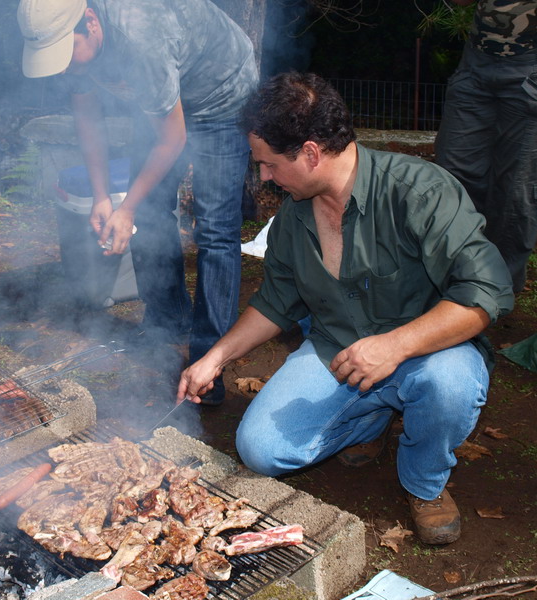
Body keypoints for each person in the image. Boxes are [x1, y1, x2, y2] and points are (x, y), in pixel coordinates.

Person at [177, 72, 515, 545]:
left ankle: (424, 483)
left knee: (449, 385)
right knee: (261, 450)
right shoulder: (293, 218)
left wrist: (395, 345)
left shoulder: (418, 190)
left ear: (311, 153)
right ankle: (371, 417)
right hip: (336, 350)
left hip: (431, 352)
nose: (265, 178)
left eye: (269, 165)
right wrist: (215, 358)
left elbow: (487, 292)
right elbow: (276, 302)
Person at [17, 0, 258, 405]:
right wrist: (100, 198)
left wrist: (124, 206)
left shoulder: (141, 34)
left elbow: (173, 140)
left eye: (65, 53)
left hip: (220, 96)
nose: (64, 67)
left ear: (91, 22)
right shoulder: (74, 45)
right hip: (161, 103)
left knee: (215, 230)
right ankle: (167, 321)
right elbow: (88, 121)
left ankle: (207, 364)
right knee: (150, 211)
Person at [435, 0, 537, 293]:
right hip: (478, 60)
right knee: (452, 176)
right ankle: (452, 283)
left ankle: (495, 293)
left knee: (517, 187)